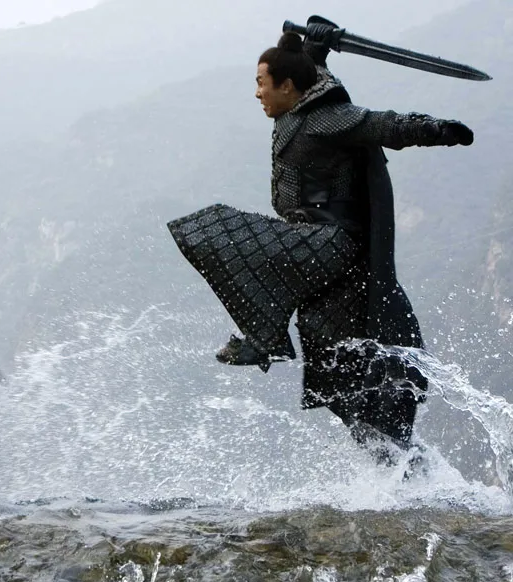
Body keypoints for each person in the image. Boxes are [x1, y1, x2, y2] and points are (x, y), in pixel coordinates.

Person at [166, 28, 474, 461]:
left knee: (214, 229)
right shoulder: (295, 105)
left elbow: (384, 124)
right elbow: (315, 74)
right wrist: (315, 45)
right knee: (340, 379)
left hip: (330, 242)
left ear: (286, 86)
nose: (256, 92)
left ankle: (262, 338)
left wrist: (438, 130)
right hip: (321, 259)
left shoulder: (328, 119)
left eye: (261, 82)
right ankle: (403, 465)